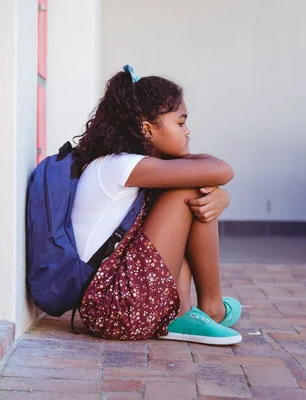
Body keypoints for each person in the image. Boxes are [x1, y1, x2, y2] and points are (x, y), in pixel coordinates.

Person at [72, 65, 242, 345]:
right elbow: (221, 170)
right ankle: (209, 308)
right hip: (115, 307)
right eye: (180, 122)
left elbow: (211, 173)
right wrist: (218, 192)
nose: (188, 131)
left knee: (193, 186)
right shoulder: (121, 166)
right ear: (147, 129)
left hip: (115, 305)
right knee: (191, 188)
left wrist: (222, 197)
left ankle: (182, 313)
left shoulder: (136, 166)